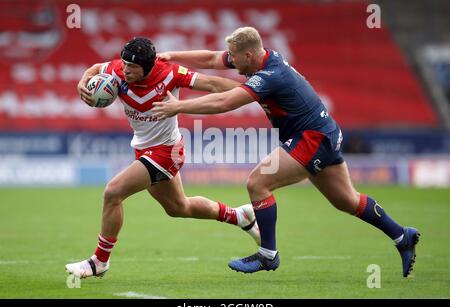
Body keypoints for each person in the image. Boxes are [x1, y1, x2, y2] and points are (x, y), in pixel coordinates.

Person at [152, 27, 420, 277]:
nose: (230, 61)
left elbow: (225, 102)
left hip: (312, 138)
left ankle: (268, 255)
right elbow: (212, 58)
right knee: (346, 200)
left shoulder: (270, 75)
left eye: (233, 57)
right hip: (325, 132)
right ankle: (402, 236)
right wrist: (171, 56)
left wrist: (179, 107)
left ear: (248, 55)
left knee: (258, 183)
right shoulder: (258, 58)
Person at [65, 37, 260, 279]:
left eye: (132, 67)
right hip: (143, 149)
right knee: (179, 207)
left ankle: (99, 261)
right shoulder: (119, 69)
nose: (125, 70)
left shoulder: (169, 74)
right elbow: (96, 68)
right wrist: (83, 81)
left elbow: (212, 84)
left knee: (113, 192)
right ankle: (239, 216)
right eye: (124, 64)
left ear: (147, 67)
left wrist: (259, 90)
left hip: (167, 151)